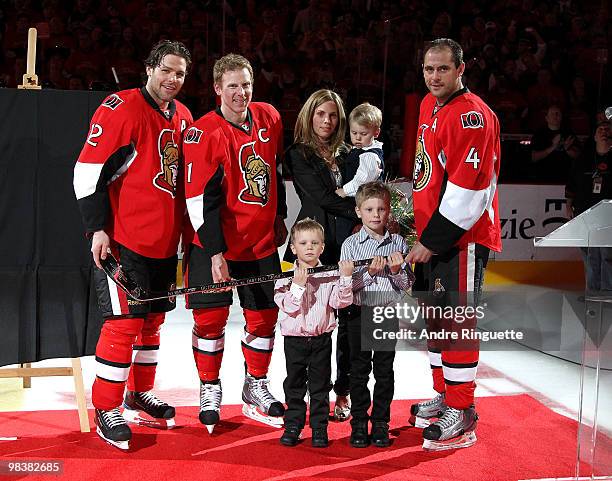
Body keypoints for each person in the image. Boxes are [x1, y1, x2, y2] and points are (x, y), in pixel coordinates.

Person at [73, 40, 193, 450]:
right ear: (149, 68)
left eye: (179, 73)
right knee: (123, 323)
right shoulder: (121, 107)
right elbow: (87, 171)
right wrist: (97, 229)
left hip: (164, 243)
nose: (172, 80)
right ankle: (106, 407)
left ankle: (138, 392)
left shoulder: (183, 116)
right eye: (166, 70)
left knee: (152, 323)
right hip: (124, 239)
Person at [405, 38, 502, 451]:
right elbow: (429, 175)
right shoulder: (431, 105)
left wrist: (432, 240)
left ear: (461, 69)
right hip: (431, 236)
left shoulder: (472, 117)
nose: (434, 76)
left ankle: (463, 413)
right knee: (436, 320)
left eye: (443, 69)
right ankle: (446, 395)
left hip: (460, 240)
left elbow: (470, 189)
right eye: (429, 69)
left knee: (457, 322)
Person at [183, 53, 288, 433]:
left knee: (264, 320)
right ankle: (209, 387)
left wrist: (277, 216)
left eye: (245, 84)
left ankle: (255, 385)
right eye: (232, 86)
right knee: (210, 321)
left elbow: (273, 169)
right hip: (215, 245)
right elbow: (199, 199)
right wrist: (214, 251)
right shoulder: (203, 132)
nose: (240, 92)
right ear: (217, 89)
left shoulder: (270, 117)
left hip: (259, 244)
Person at [283, 89, 358, 423]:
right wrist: (363, 214)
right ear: (308, 116)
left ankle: (342, 393)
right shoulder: (297, 154)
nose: (326, 121)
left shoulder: (350, 153)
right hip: (306, 245)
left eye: (332, 115)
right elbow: (323, 197)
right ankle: (300, 399)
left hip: (348, 245)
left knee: (348, 326)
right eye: (320, 114)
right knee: (301, 324)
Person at [341, 181, 413, 448]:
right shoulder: (350, 245)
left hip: (385, 313)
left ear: (389, 212)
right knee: (359, 371)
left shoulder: (398, 243)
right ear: (359, 211)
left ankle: (381, 421)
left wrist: (395, 271)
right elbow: (346, 286)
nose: (375, 214)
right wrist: (369, 274)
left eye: (381, 209)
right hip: (359, 313)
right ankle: (359, 420)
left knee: (384, 371)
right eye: (369, 209)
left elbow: (407, 286)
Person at [275, 218, 354, 447]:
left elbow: (340, 303)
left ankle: (319, 428)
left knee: (319, 386)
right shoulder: (283, 277)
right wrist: (298, 285)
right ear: (293, 248)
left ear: (322, 247)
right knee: (294, 384)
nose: (309, 247)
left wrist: (346, 278)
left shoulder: (329, 275)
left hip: (321, 340)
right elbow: (288, 306)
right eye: (303, 243)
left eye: (314, 243)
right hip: (294, 340)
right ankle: (294, 425)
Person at [565, 117, 611, 293]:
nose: (604, 133)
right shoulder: (583, 159)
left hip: (608, 216)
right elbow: (572, 185)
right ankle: (592, 292)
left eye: (608, 130)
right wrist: (569, 205)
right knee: (589, 256)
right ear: (594, 136)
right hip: (585, 214)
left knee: (607, 256)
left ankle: (607, 294)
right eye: (601, 130)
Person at [335, 102, 384, 242]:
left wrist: (343, 191)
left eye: (363, 134)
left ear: (376, 132)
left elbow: (361, 182)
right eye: (354, 132)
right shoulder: (358, 151)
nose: (357, 138)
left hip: (362, 208)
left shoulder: (370, 156)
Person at [531, 105, 581, 183]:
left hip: (565, 178)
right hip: (543, 178)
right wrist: (553, 147)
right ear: (546, 118)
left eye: (558, 113)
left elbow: (578, 156)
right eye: (552, 113)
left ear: (561, 117)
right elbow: (534, 157)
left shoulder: (568, 133)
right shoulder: (539, 134)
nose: (555, 116)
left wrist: (567, 149)